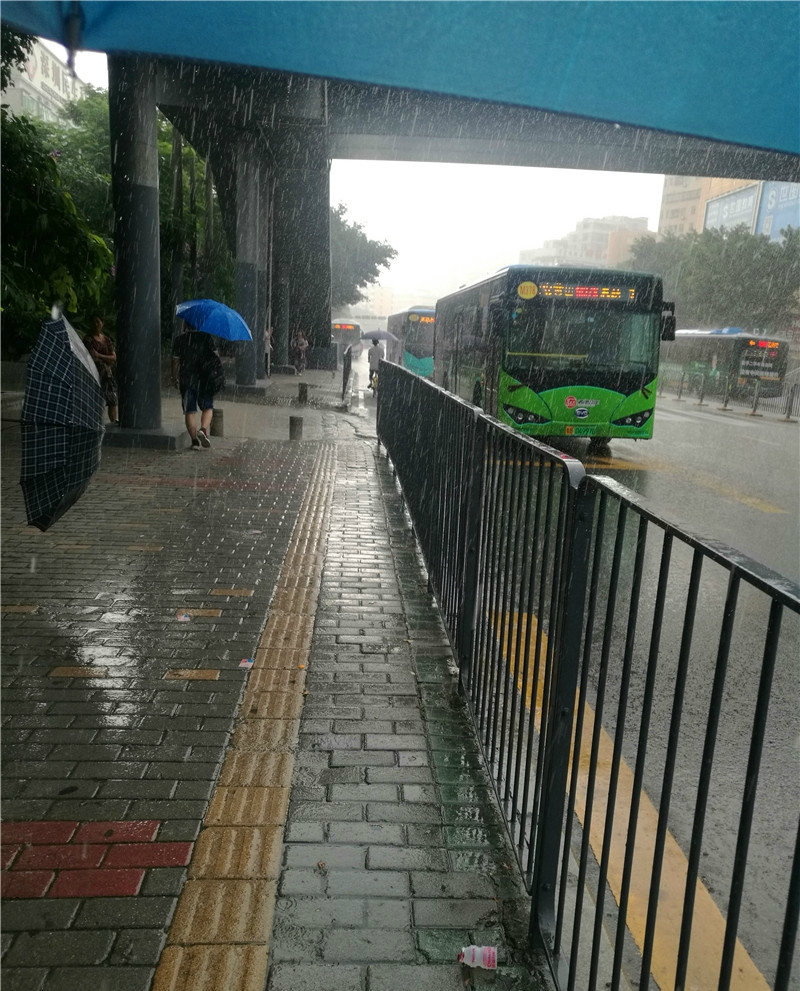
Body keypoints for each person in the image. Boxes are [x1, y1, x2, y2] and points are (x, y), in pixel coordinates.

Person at [171, 330, 217, 449]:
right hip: (205, 378)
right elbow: (215, 357)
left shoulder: (180, 340)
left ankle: (194, 441)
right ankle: (203, 430)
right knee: (208, 407)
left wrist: (174, 377)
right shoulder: (207, 338)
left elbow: (175, 361)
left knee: (190, 411)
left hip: (187, 379)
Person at [83, 314, 118, 423]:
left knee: (112, 399)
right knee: (95, 400)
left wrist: (100, 355)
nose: (96, 324)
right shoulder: (88, 340)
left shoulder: (106, 339)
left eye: (98, 322)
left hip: (107, 374)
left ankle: (113, 421)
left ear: (102, 323)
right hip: (94, 373)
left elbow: (113, 357)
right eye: (93, 322)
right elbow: (91, 356)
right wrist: (102, 357)